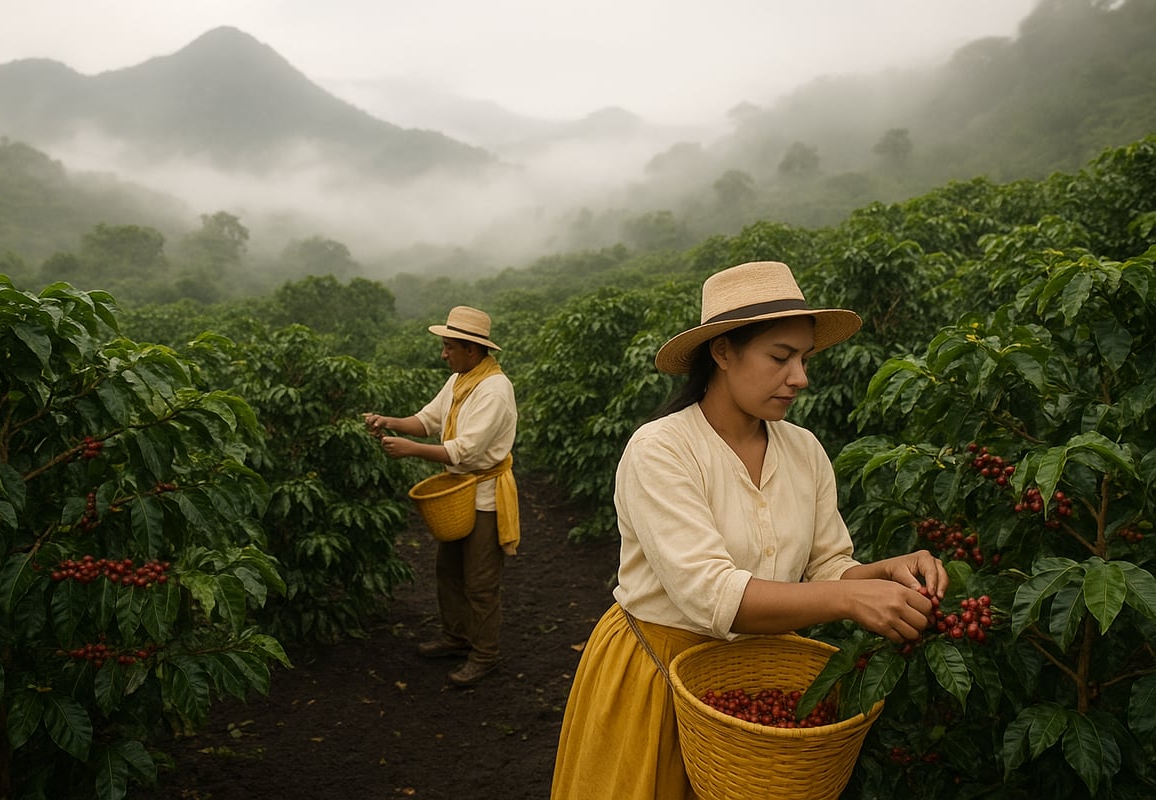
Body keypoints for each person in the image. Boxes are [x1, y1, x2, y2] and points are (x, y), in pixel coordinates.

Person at [549, 261, 949, 799]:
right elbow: (713, 595)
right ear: (722, 353)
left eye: (804, 359)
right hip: (659, 673)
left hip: (758, 674)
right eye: (780, 357)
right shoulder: (661, 450)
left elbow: (828, 565)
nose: (800, 378)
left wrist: (883, 573)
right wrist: (852, 599)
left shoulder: (803, 449)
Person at [364, 305, 519, 687]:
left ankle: (485, 655)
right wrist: (390, 423)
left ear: (472, 349)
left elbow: (462, 450)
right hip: (458, 490)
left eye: (449, 347)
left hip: (484, 496)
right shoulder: (460, 379)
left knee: (480, 581)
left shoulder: (494, 391)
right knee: (448, 570)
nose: (443, 353)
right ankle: (456, 637)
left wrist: (411, 450)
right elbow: (428, 420)